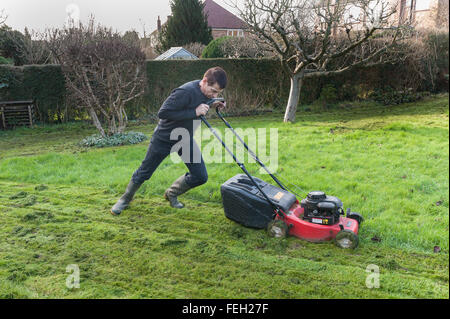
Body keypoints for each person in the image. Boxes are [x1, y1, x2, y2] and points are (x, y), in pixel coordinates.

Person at [111, 67, 227, 215]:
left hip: (185, 138)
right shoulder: (184, 91)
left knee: (200, 176)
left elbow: (205, 99)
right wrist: (194, 112)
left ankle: (171, 193)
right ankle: (125, 199)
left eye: (218, 93)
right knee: (145, 171)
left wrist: (215, 102)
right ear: (204, 81)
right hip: (164, 138)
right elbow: (163, 112)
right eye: (213, 91)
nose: (214, 94)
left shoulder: (206, 92)